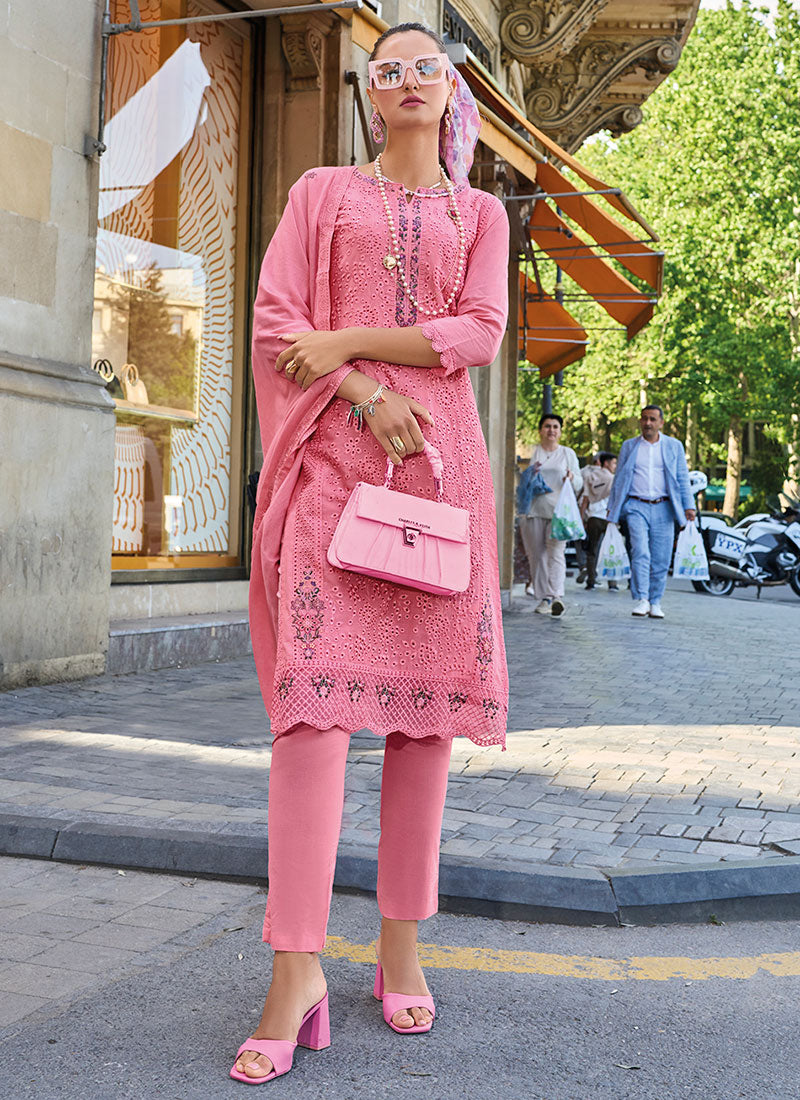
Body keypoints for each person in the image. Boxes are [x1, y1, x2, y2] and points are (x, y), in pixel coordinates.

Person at [236, 22, 510, 1084]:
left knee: (423, 721)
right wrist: (361, 388)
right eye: (386, 67)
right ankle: (294, 965)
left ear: (451, 92)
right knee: (310, 714)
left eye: (423, 67)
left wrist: (347, 341)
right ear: (368, 90)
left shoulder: (478, 211)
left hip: (440, 485)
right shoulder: (318, 194)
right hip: (329, 475)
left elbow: (478, 330)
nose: (404, 80)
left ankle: (399, 943)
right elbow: (275, 323)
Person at [606, 405, 695, 619]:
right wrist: (613, 507)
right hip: (636, 506)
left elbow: (682, 477)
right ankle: (642, 598)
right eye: (645, 419)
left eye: (653, 419)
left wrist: (688, 505)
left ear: (661, 423)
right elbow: (619, 478)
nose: (648, 423)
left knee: (661, 557)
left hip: (664, 507)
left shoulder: (674, 446)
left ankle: (656, 601)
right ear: (640, 421)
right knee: (640, 551)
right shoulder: (629, 446)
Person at [519, 413, 582, 617]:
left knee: (555, 553)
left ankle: (556, 596)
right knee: (536, 555)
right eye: (547, 426)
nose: (551, 430)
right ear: (540, 430)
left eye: (555, 426)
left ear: (560, 431)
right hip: (533, 511)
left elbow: (580, 483)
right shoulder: (533, 452)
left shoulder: (567, 454)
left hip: (559, 513)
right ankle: (544, 597)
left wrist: (572, 477)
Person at [580, 451, 617, 590]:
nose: (615, 466)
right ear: (606, 463)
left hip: (593, 517)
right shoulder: (614, 479)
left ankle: (591, 580)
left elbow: (585, 499)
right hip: (609, 518)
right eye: (613, 463)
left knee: (592, 550)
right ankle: (612, 582)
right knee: (610, 550)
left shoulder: (590, 477)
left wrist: (582, 517)